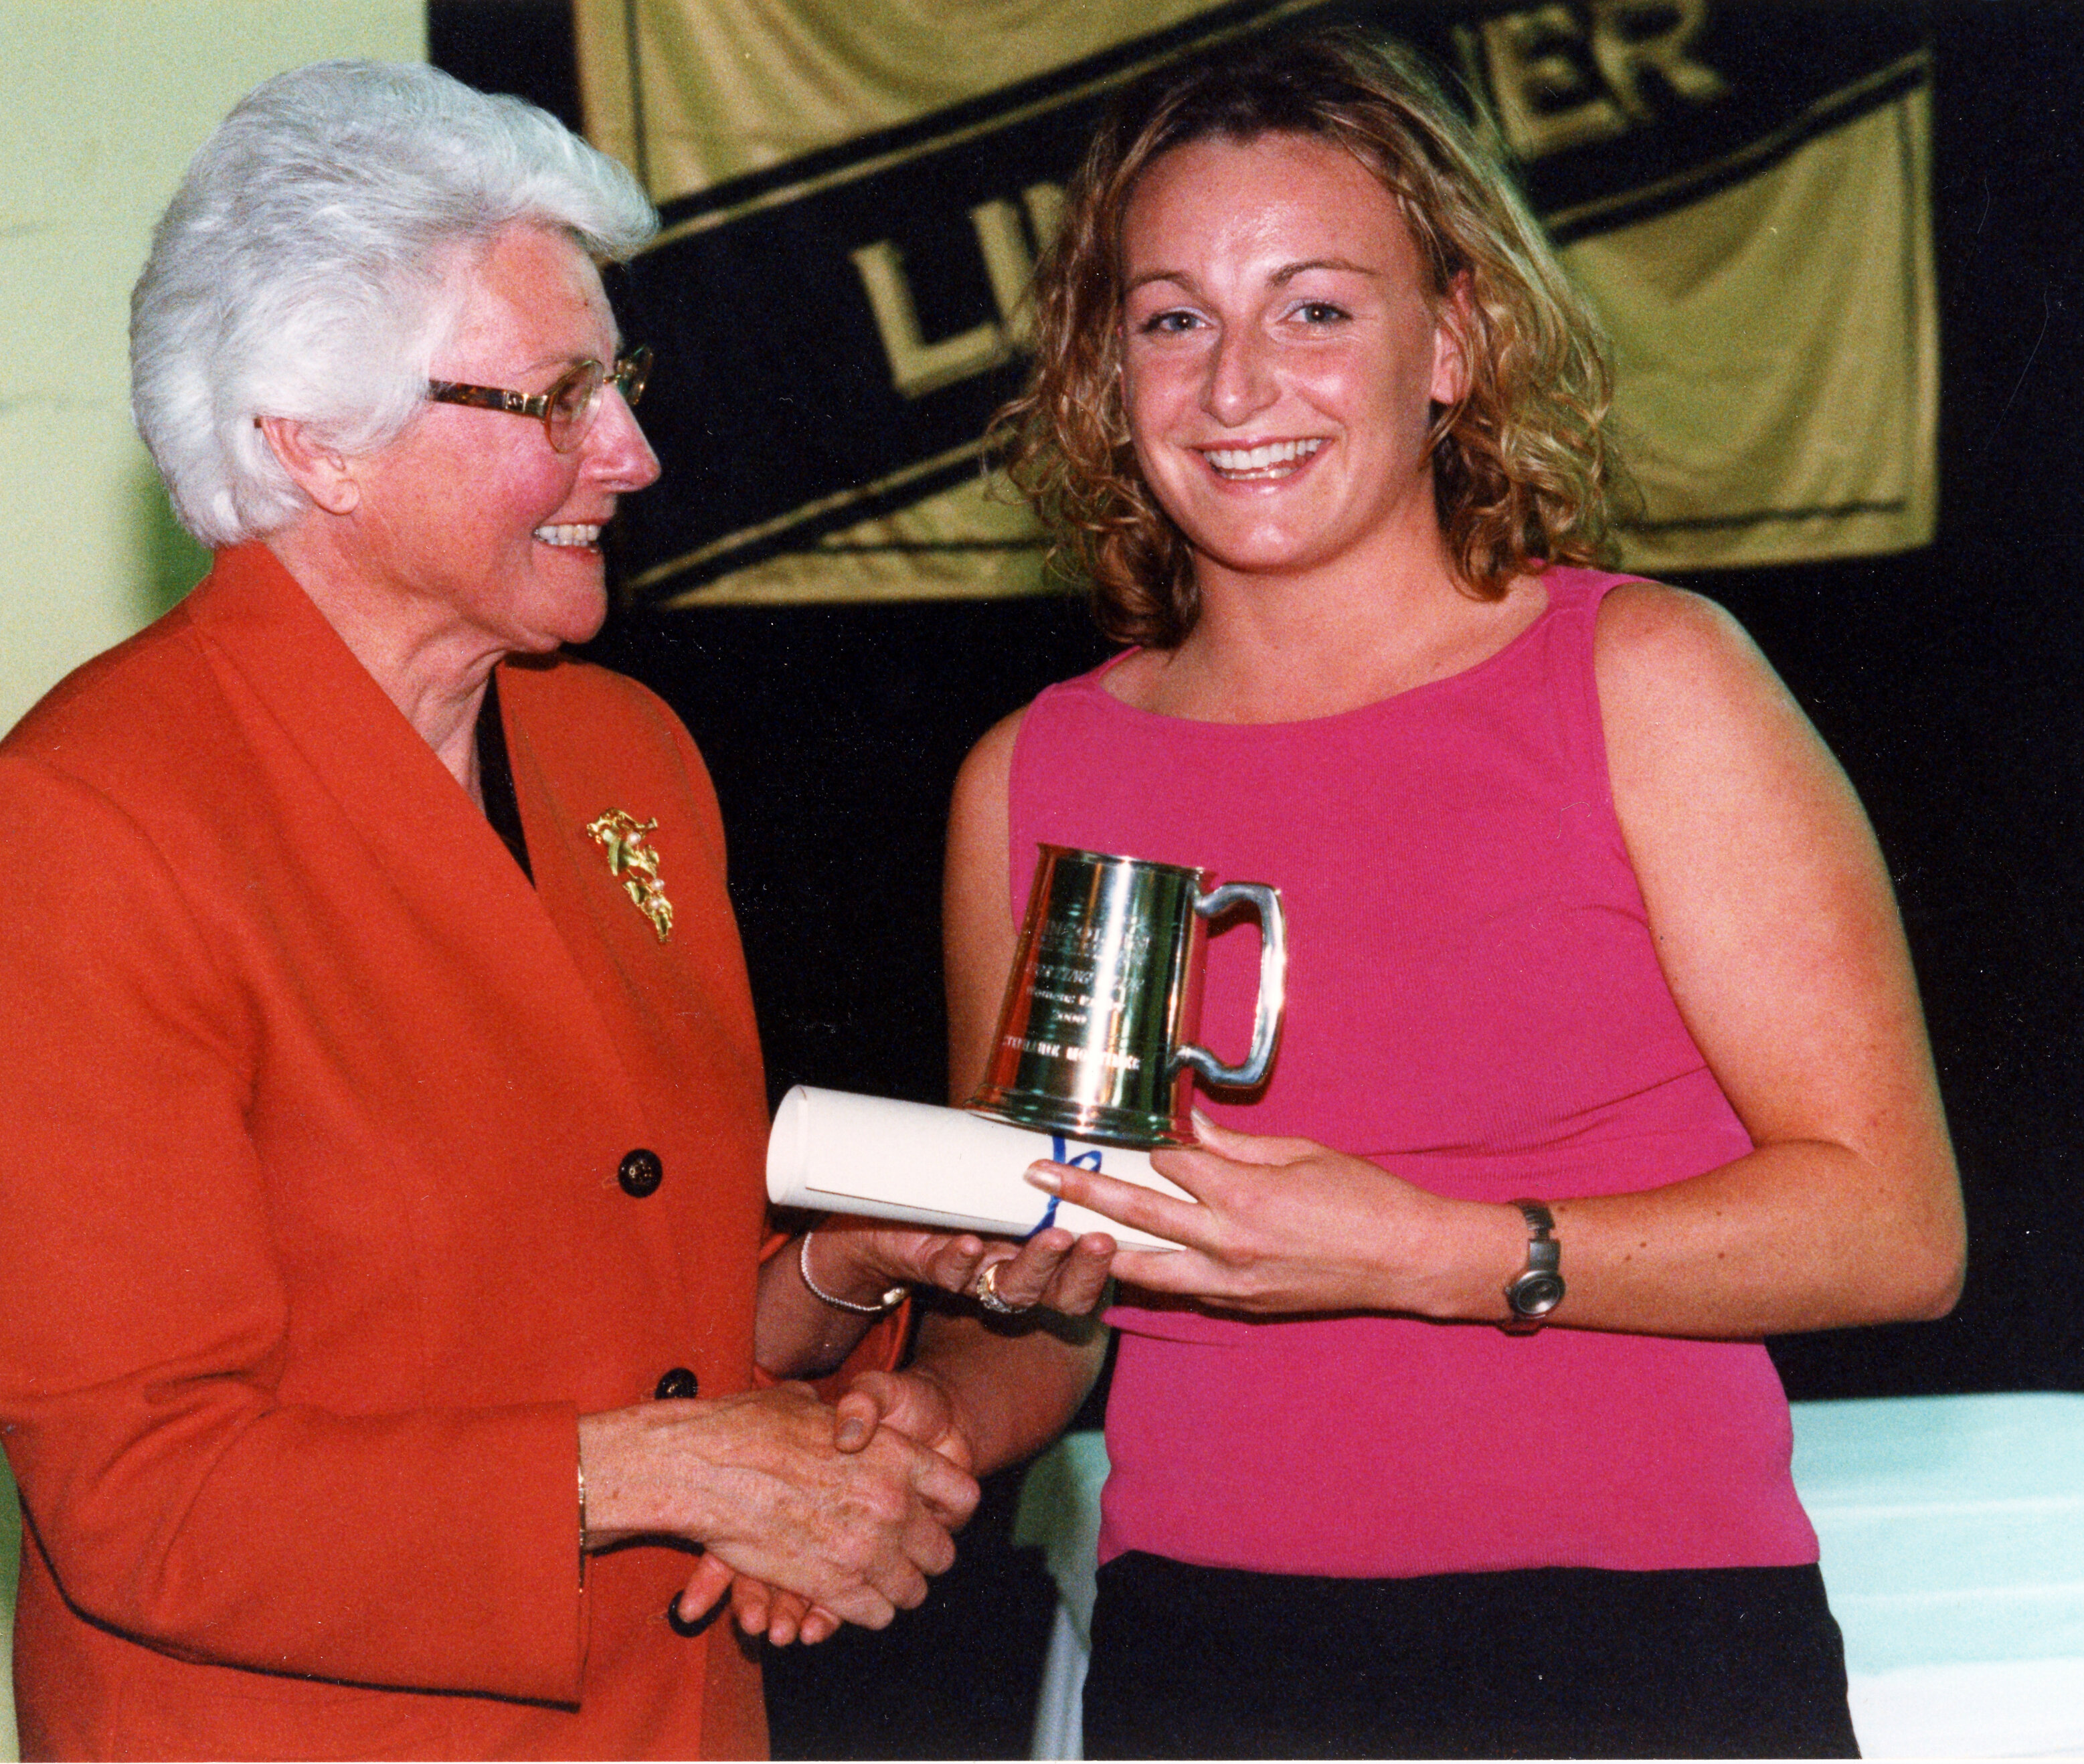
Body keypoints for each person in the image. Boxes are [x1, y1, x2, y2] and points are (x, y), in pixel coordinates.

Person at [0, 60, 1096, 1761]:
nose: (631, 452)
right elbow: (140, 1492)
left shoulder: (622, 753)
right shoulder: (86, 825)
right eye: (552, 399)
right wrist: (674, 1472)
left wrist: (836, 1276)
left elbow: (619, 1319)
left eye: (615, 381)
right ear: (314, 444)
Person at [833, 25, 1966, 1759]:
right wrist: (929, 1418)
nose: (1235, 388)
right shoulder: (1032, 775)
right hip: (1208, 1652)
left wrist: (1425, 1252)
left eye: (1313, 309)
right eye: (1172, 320)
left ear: (1453, 339)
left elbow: (1894, 1229)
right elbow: (1055, 1297)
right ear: (1101, 369)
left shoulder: (1645, 682)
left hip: (1637, 1644)